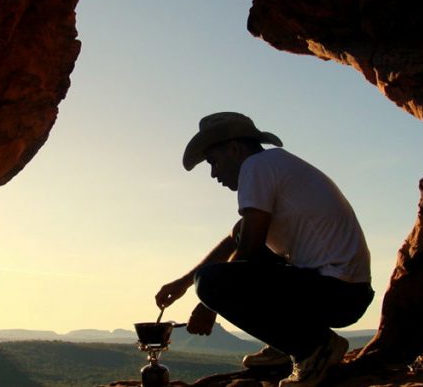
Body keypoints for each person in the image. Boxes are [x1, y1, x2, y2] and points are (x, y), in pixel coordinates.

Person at [155, 112, 373, 387]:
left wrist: (207, 303)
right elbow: (236, 238)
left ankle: (313, 348)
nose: (213, 173)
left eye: (213, 161)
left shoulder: (255, 167)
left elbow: (248, 249)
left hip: (336, 292)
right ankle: (288, 343)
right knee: (226, 267)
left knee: (210, 281)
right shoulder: (275, 165)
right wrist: (183, 283)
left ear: (235, 149)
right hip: (347, 291)